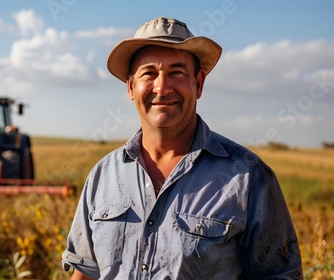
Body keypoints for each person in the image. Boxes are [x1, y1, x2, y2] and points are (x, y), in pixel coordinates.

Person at [61, 17, 303, 279]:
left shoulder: (248, 176)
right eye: (149, 73)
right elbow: (85, 272)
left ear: (198, 84)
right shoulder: (103, 175)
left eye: (177, 73)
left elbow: (280, 274)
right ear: (131, 87)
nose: (162, 88)